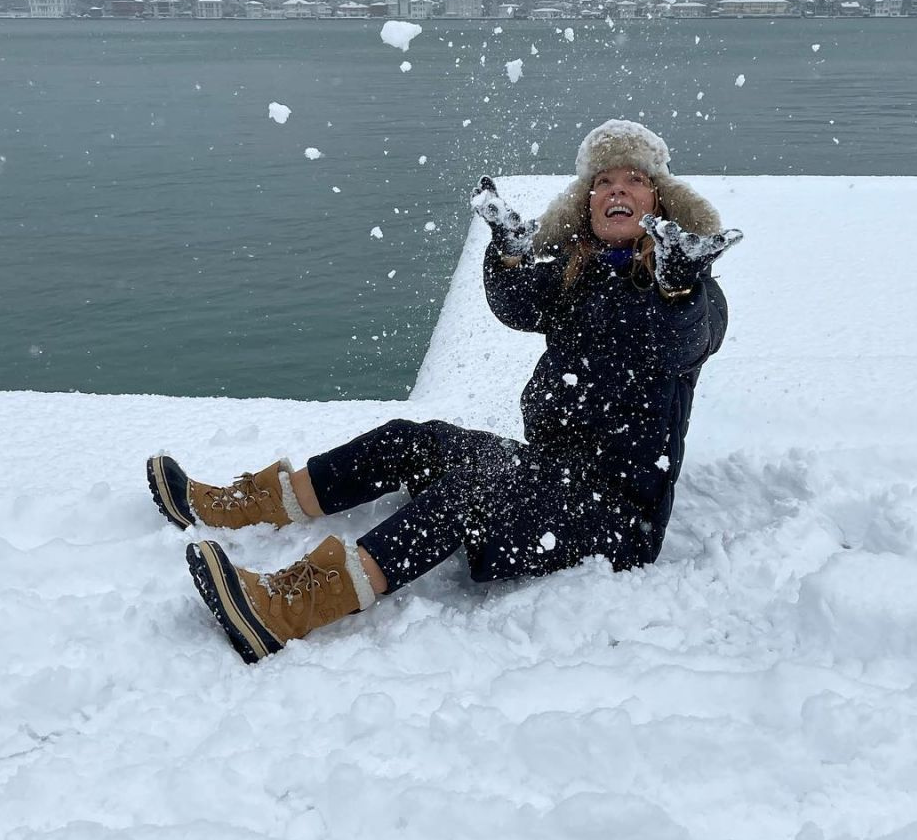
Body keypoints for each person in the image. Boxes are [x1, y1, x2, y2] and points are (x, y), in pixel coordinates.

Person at [146, 120, 741, 663]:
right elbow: (517, 307)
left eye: (635, 180)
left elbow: (685, 340)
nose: (617, 190)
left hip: (616, 515)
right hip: (548, 469)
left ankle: (286, 609)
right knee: (413, 439)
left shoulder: (686, 293)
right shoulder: (577, 272)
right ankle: (244, 508)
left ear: (660, 199)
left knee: (473, 490)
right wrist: (506, 254)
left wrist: (680, 285)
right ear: (585, 203)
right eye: (602, 180)